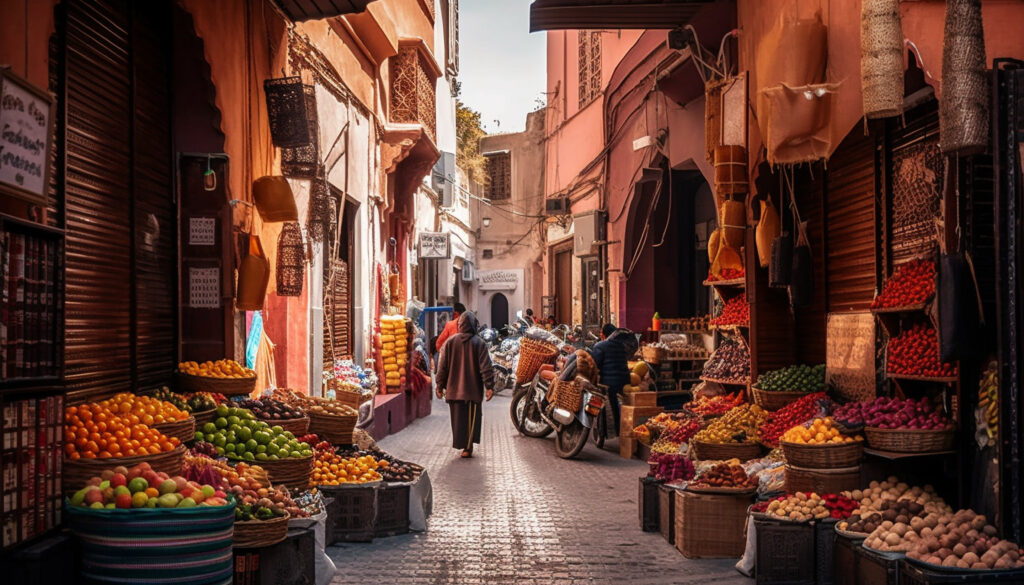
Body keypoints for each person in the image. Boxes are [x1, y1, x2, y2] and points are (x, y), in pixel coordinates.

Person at [435, 311, 495, 458]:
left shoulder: (450, 342)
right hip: (472, 391)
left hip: (454, 391)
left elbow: (442, 366)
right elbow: (485, 367)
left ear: (460, 325)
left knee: (458, 420)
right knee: (471, 420)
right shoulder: (479, 343)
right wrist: (489, 386)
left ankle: (464, 446)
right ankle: (467, 448)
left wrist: (439, 385)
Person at [590, 326, 638, 435]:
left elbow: (594, 364)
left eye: (601, 332)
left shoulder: (600, 346)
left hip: (608, 383)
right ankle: (620, 429)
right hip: (625, 381)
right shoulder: (621, 346)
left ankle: (610, 431)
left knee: (606, 404)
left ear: (604, 335)